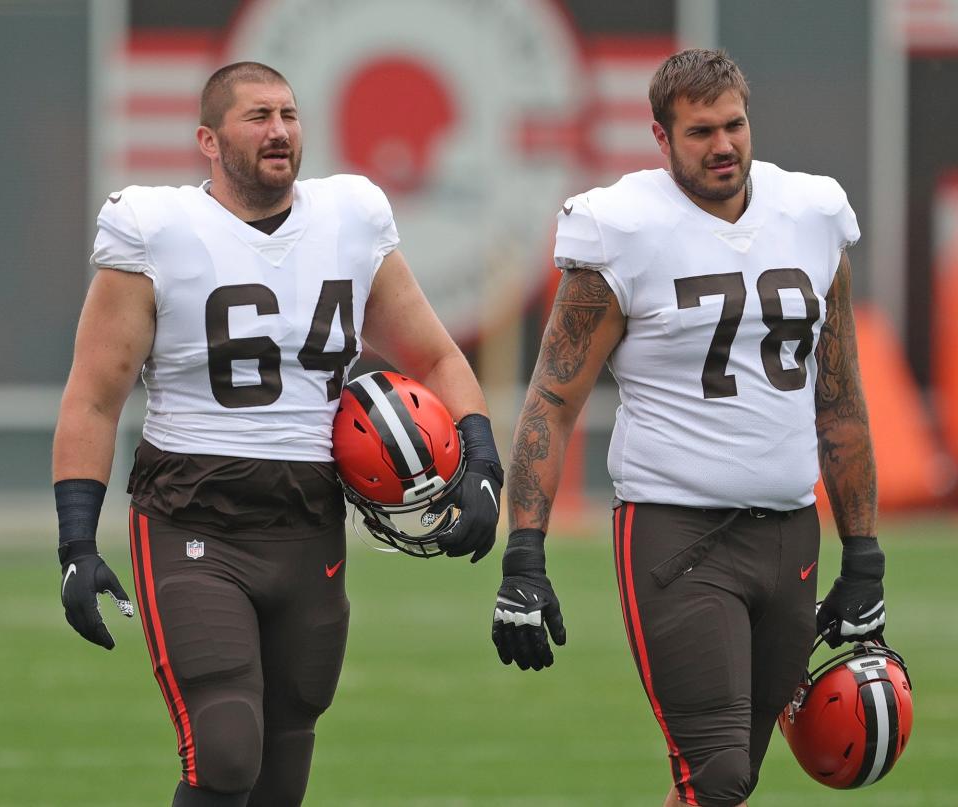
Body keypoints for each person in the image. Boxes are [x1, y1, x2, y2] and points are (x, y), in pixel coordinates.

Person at [53, 61, 502, 807]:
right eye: (257, 116)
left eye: (289, 115)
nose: (280, 131)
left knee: (281, 771)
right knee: (226, 748)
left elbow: (435, 355)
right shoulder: (154, 229)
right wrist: (75, 540)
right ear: (208, 138)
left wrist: (482, 459)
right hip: (192, 518)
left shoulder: (350, 218)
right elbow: (95, 398)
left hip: (309, 525)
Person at [491, 48, 886, 807]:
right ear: (660, 138)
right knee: (717, 774)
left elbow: (839, 398)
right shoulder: (621, 228)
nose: (724, 145)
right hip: (677, 538)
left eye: (734, 125)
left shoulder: (812, 215)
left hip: (790, 535)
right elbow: (552, 400)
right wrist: (525, 555)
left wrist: (863, 555)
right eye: (701, 132)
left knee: (733, 780)